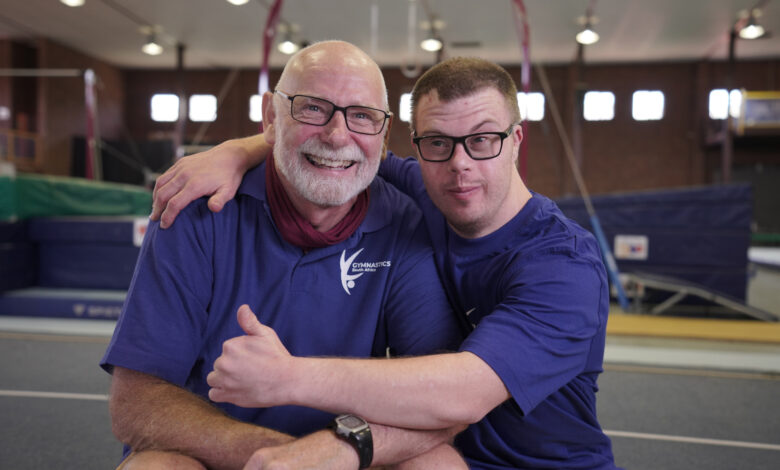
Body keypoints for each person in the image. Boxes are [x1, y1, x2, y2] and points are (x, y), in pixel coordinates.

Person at [153, 56, 622, 469]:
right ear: (417, 146)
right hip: (435, 451)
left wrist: (289, 378)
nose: (459, 163)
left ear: (516, 139)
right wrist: (235, 152)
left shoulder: (563, 263)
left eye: (482, 140)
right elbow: (332, 147)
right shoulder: (429, 186)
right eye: (437, 142)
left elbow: (465, 393)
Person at [101, 40, 467, 470]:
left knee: (438, 463)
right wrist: (281, 456)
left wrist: (339, 452)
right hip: (216, 455)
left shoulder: (404, 223)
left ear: (383, 135)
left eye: (362, 116)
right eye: (312, 108)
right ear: (271, 118)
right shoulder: (197, 208)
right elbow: (135, 403)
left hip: (342, 457)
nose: (337, 135)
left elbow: (444, 401)